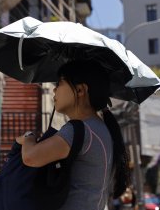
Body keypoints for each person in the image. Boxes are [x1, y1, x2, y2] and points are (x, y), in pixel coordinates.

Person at [16, 60, 131, 210]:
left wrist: (28, 137)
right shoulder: (99, 129)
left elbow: (31, 157)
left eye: (59, 83)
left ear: (80, 90)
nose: (54, 90)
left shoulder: (80, 130)